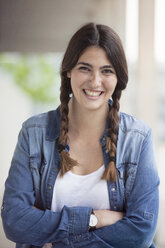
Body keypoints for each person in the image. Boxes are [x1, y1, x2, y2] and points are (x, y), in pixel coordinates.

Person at [1, 22, 159, 248]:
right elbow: (15, 221)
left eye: (107, 70)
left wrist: (57, 240)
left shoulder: (137, 138)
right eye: (85, 68)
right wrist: (95, 219)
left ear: (118, 78)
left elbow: (141, 231)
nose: (95, 82)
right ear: (68, 70)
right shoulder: (34, 132)